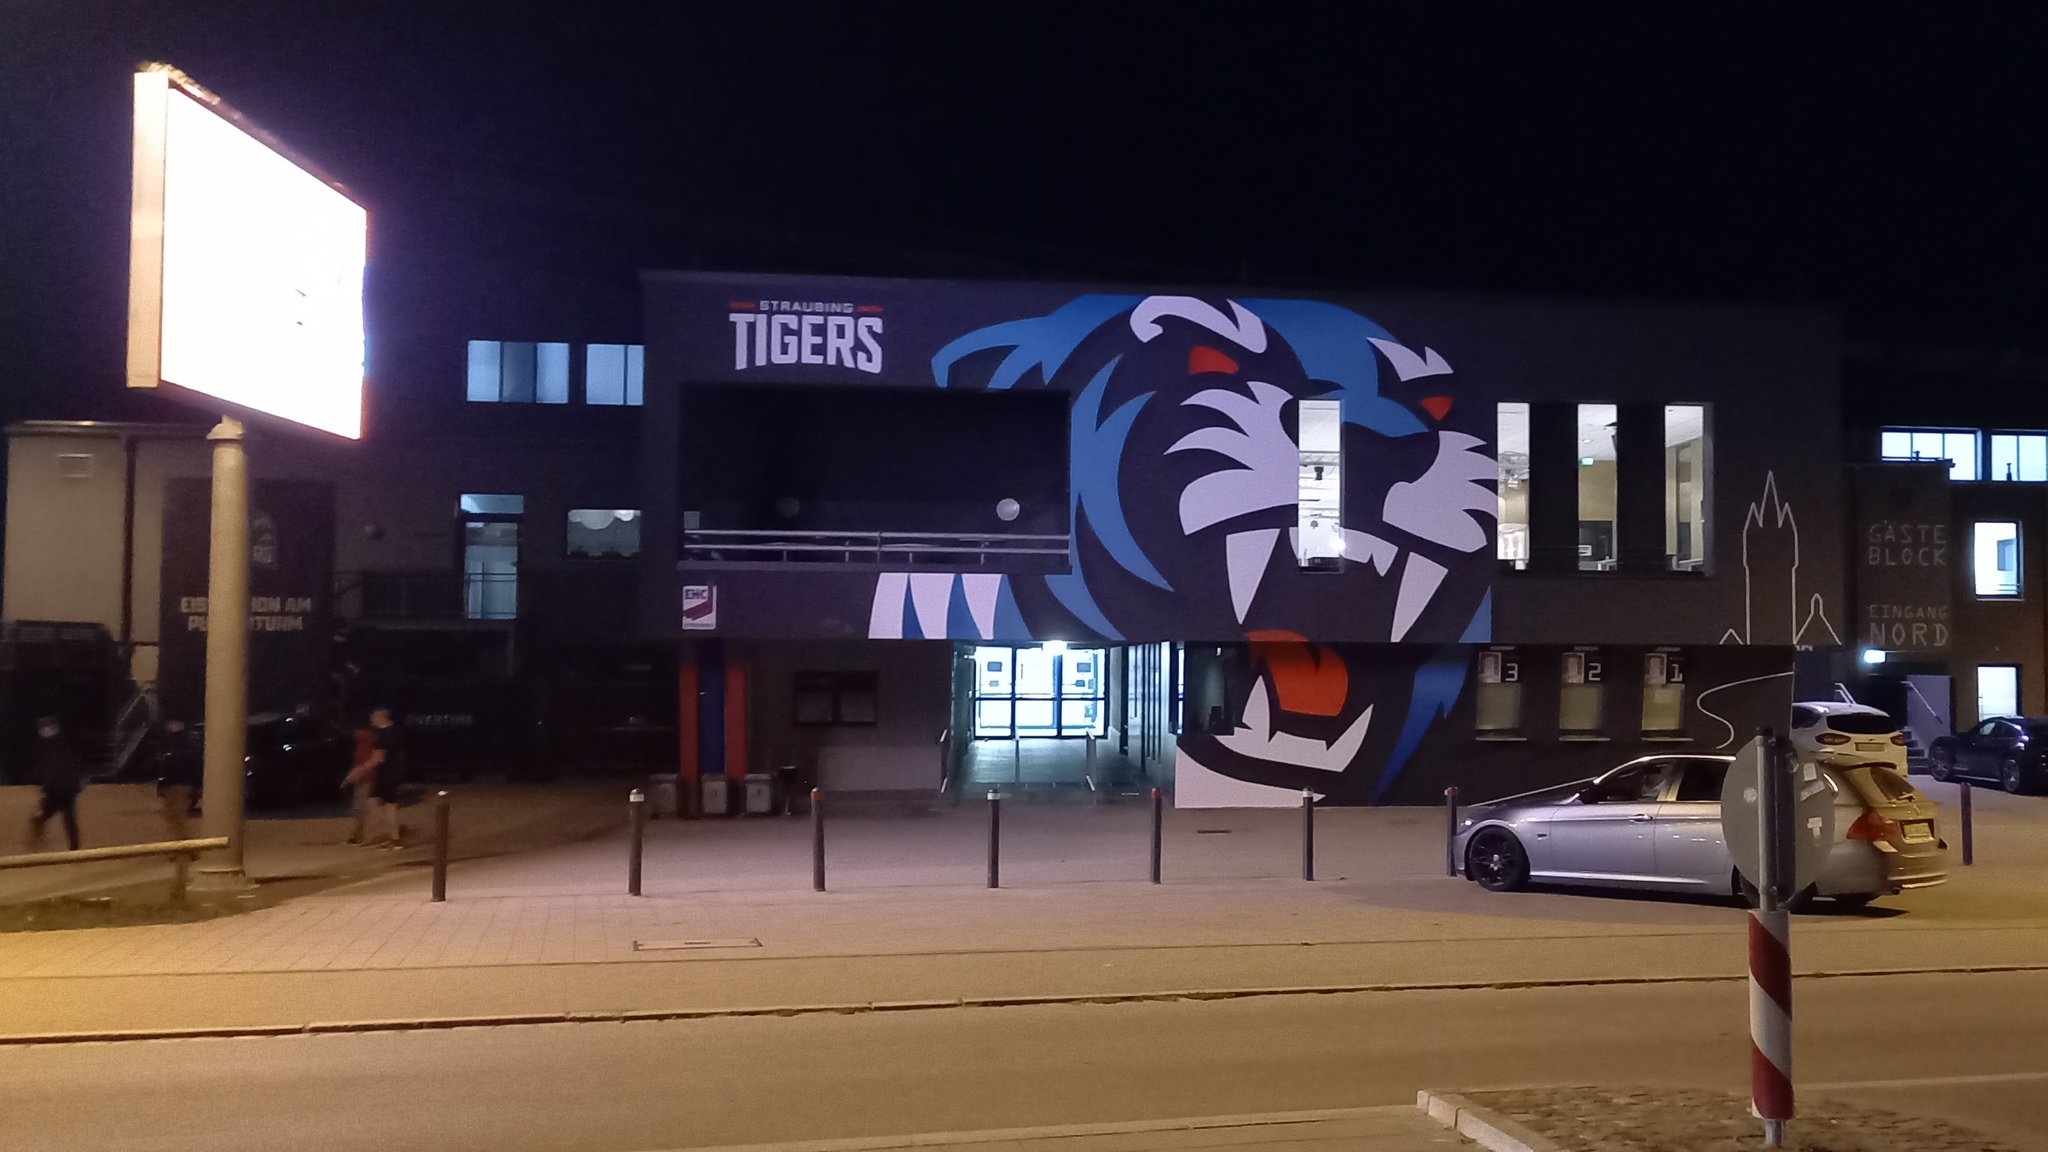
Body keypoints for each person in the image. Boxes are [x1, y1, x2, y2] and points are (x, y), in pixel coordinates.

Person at [26, 717, 83, 851]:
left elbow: (68, 767)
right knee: (55, 816)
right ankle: (74, 849)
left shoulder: (57, 747)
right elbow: (51, 770)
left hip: (63, 788)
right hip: (59, 789)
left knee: (68, 819)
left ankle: (75, 850)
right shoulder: (53, 748)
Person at [154, 717, 203, 840]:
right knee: (175, 818)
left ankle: (186, 848)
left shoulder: (179, 743)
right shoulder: (184, 741)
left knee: (177, 818)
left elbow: (171, 765)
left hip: (178, 784)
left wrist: (163, 783)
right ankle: (181, 848)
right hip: (179, 783)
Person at [366, 707, 406, 848]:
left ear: (380, 717)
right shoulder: (396, 731)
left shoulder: (381, 736)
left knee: (374, 804)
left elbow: (378, 758)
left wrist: (360, 770)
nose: (371, 720)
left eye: (373, 717)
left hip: (384, 774)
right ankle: (394, 838)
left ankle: (394, 836)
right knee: (389, 806)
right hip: (395, 773)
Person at [341, 724, 378, 844]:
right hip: (365, 777)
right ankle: (358, 834)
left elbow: (361, 764)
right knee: (361, 806)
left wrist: (350, 777)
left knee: (360, 807)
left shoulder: (364, 741)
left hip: (365, 777)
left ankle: (358, 835)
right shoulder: (370, 739)